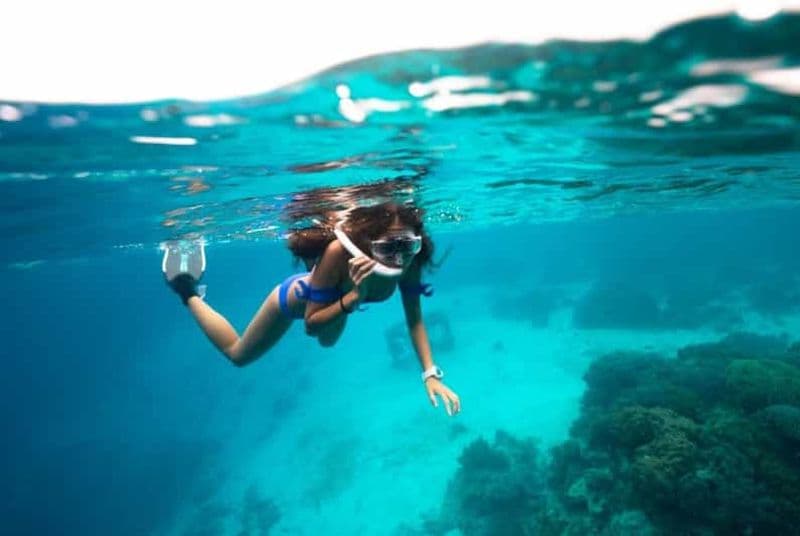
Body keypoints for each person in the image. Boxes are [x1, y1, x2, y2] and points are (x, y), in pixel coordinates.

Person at [164, 202, 461, 416]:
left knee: (329, 343)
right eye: (388, 248)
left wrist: (430, 374)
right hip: (299, 299)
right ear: (369, 244)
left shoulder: (410, 259)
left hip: (339, 308)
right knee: (238, 355)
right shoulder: (338, 253)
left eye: (406, 246)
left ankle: (185, 286)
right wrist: (354, 298)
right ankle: (185, 286)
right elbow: (311, 325)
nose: (398, 259)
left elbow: (415, 320)